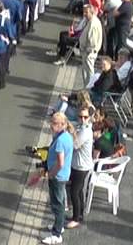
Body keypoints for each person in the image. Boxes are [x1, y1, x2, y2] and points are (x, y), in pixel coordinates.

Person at [41, 112, 74, 245]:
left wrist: (51, 174)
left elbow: (60, 162)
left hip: (58, 177)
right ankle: (58, 225)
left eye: (54, 123)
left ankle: (57, 234)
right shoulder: (66, 136)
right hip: (62, 175)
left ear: (62, 125)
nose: (51, 125)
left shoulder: (60, 140)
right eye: (52, 122)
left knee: (58, 205)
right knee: (58, 203)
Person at [65, 105, 94, 231]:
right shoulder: (83, 127)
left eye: (85, 117)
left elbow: (75, 145)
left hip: (81, 166)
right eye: (80, 116)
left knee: (74, 192)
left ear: (90, 117)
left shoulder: (86, 131)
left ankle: (76, 218)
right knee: (78, 190)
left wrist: (71, 133)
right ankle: (79, 214)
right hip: (78, 163)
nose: (82, 119)